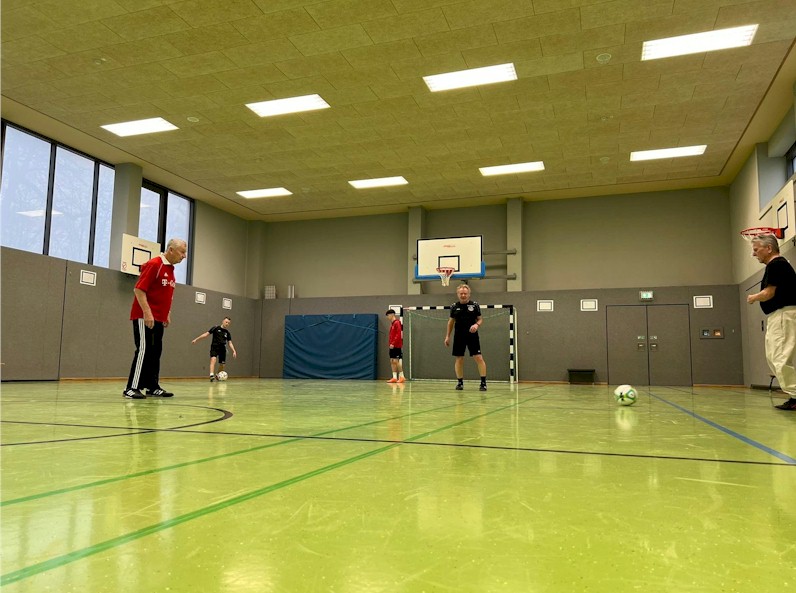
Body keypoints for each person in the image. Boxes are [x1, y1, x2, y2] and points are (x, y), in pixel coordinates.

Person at [123, 238, 188, 399]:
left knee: (155, 351)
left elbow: (165, 294)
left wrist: (167, 313)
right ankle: (131, 388)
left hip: (159, 318)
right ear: (171, 250)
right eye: (182, 252)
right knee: (143, 350)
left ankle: (152, 386)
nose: (184, 256)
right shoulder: (154, 264)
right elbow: (139, 290)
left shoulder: (170, 269)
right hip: (144, 316)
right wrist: (147, 312)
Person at [746, 233, 796, 410]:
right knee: (774, 356)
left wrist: (753, 297)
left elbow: (769, 293)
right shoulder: (777, 266)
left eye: (756, 250)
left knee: (780, 357)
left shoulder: (777, 265)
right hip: (779, 315)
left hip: (784, 314)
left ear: (768, 248)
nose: (754, 254)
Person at [444, 284, 487, 391]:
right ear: (458, 294)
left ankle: (483, 383)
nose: (463, 295)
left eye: (465, 293)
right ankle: (460, 382)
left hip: (472, 335)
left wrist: (476, 325)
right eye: (461, 293)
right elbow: (450, 322)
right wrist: (447, 336)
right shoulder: (454, 306)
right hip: (459, 336)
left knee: (478, 357)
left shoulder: (475, 305)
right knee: (459, 358)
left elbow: (480, 319)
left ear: (469, 294)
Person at [192, 317, 237, 381]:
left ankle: (218, 376)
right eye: (226, 322)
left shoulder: (227, 333)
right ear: (223, 321)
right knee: (213, 359)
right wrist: (196, 339)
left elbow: (230, 343)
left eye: (228, 323)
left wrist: (234, 351)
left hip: (222, 349)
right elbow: (206, 334)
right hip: (214, 347)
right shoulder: (215, 328)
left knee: (222, 365)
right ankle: (211, 375)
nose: (227, 324)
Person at [385, 310, 405, 383]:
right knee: (392, 361)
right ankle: (394, 377)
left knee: (396, 361)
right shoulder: (392, 324)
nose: (388, 317)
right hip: (392, 346)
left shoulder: (397, 323)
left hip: (396, 345)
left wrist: (393, 343)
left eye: (388, 315)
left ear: (392, 314)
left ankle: (402, 377)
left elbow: (398, 334)